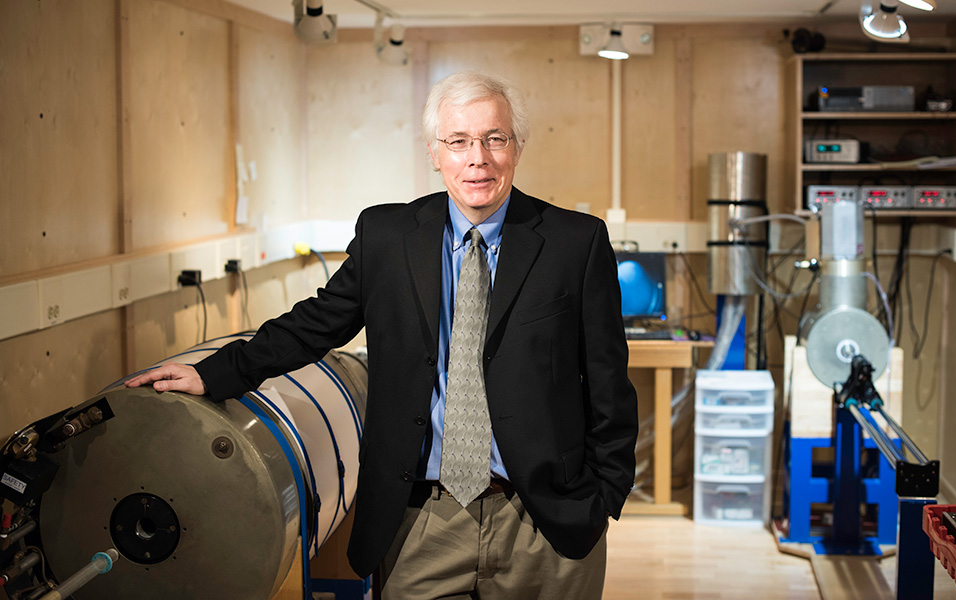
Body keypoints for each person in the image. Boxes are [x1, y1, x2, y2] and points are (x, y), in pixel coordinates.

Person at [126, 71, 638, 599]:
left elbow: (607, 380)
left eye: (494, 139)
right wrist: (212, 372)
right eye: (458, 141)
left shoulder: (574, 243)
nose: (477, 158)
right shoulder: (387, 236)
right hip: (421, 521)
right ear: (434, 153)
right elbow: (314, 325)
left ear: (518, 147)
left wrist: (604, 494)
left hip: (543, 522)